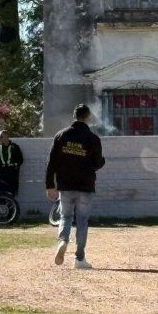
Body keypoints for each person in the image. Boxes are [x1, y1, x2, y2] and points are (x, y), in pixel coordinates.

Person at [45, 104, 105, 269]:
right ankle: (79, 258)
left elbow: (51, 163)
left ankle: (63, 241)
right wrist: (101, 161)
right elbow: (97, 163)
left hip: (65, 184)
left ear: (74, 115)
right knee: (82, 220)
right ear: (88, 117)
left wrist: (50, 185)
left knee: (65, 217)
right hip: (85, 185)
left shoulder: (61, 135)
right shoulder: (93, 139)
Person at [0, 130, 23, 196]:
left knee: (11, 193)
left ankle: (11, 206)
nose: (0, 139)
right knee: (1, 191)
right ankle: (1, 206)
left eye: (1, 137)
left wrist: (14, 167)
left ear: (7, 136)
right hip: (2, 173)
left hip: (12, 173)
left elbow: (20, 160)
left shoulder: (15, 147)